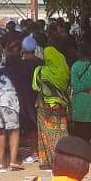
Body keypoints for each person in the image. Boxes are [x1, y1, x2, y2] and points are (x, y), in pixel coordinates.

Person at [32, 41, 70, 170]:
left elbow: (35, 87)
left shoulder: (40, 71)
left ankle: (48, 160)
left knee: (46, 133)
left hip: (45, 107)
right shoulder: (64, 70)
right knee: (61, 132)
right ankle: (64, 159)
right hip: (60, 106)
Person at [70, 42, 91, 146]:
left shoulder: (75, 66)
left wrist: (84, 89)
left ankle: (79, 146)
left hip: (78, 100)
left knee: (79, 125)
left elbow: (75, 85)